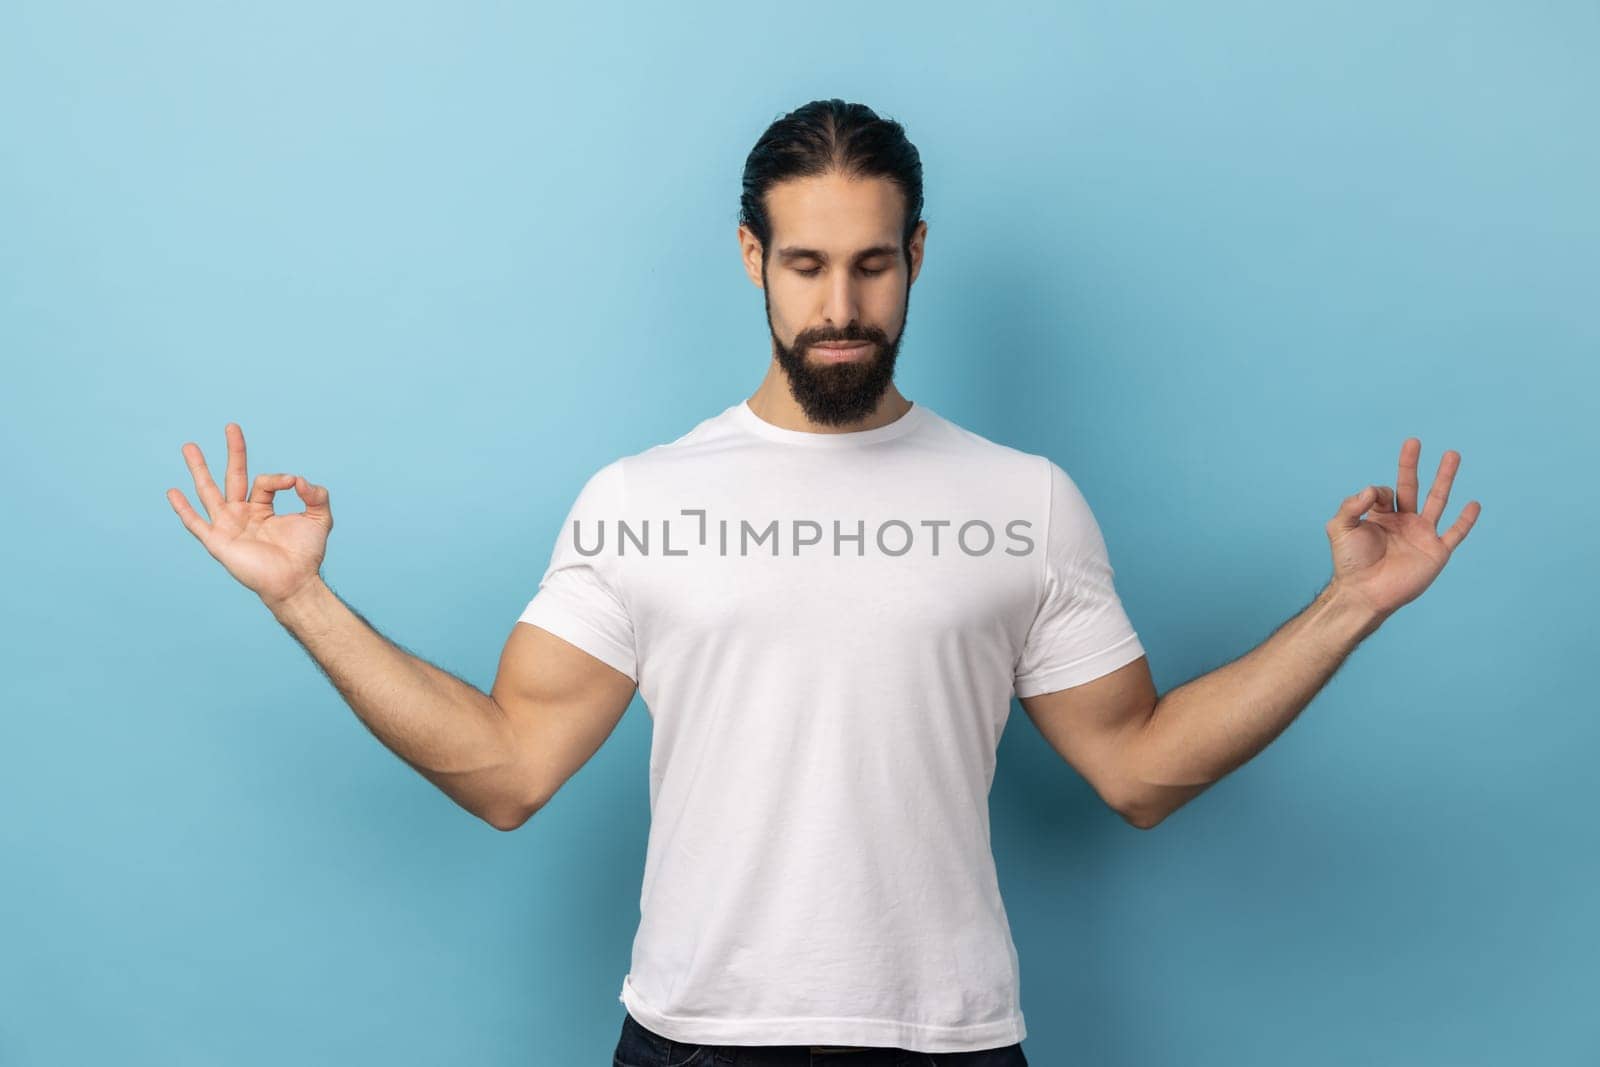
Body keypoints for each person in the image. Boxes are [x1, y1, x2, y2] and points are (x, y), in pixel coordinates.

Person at [165, 99, 1481, 1065]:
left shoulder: (1021, 500)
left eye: (871, 264)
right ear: (752, 259)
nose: (840, 306)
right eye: (805, 266)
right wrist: (303, 600)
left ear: (917, 253)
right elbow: (508, 769)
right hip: (694, 1041)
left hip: (951, 1044)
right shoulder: (644, 499)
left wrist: (1348, 608)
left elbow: (1137, 769)